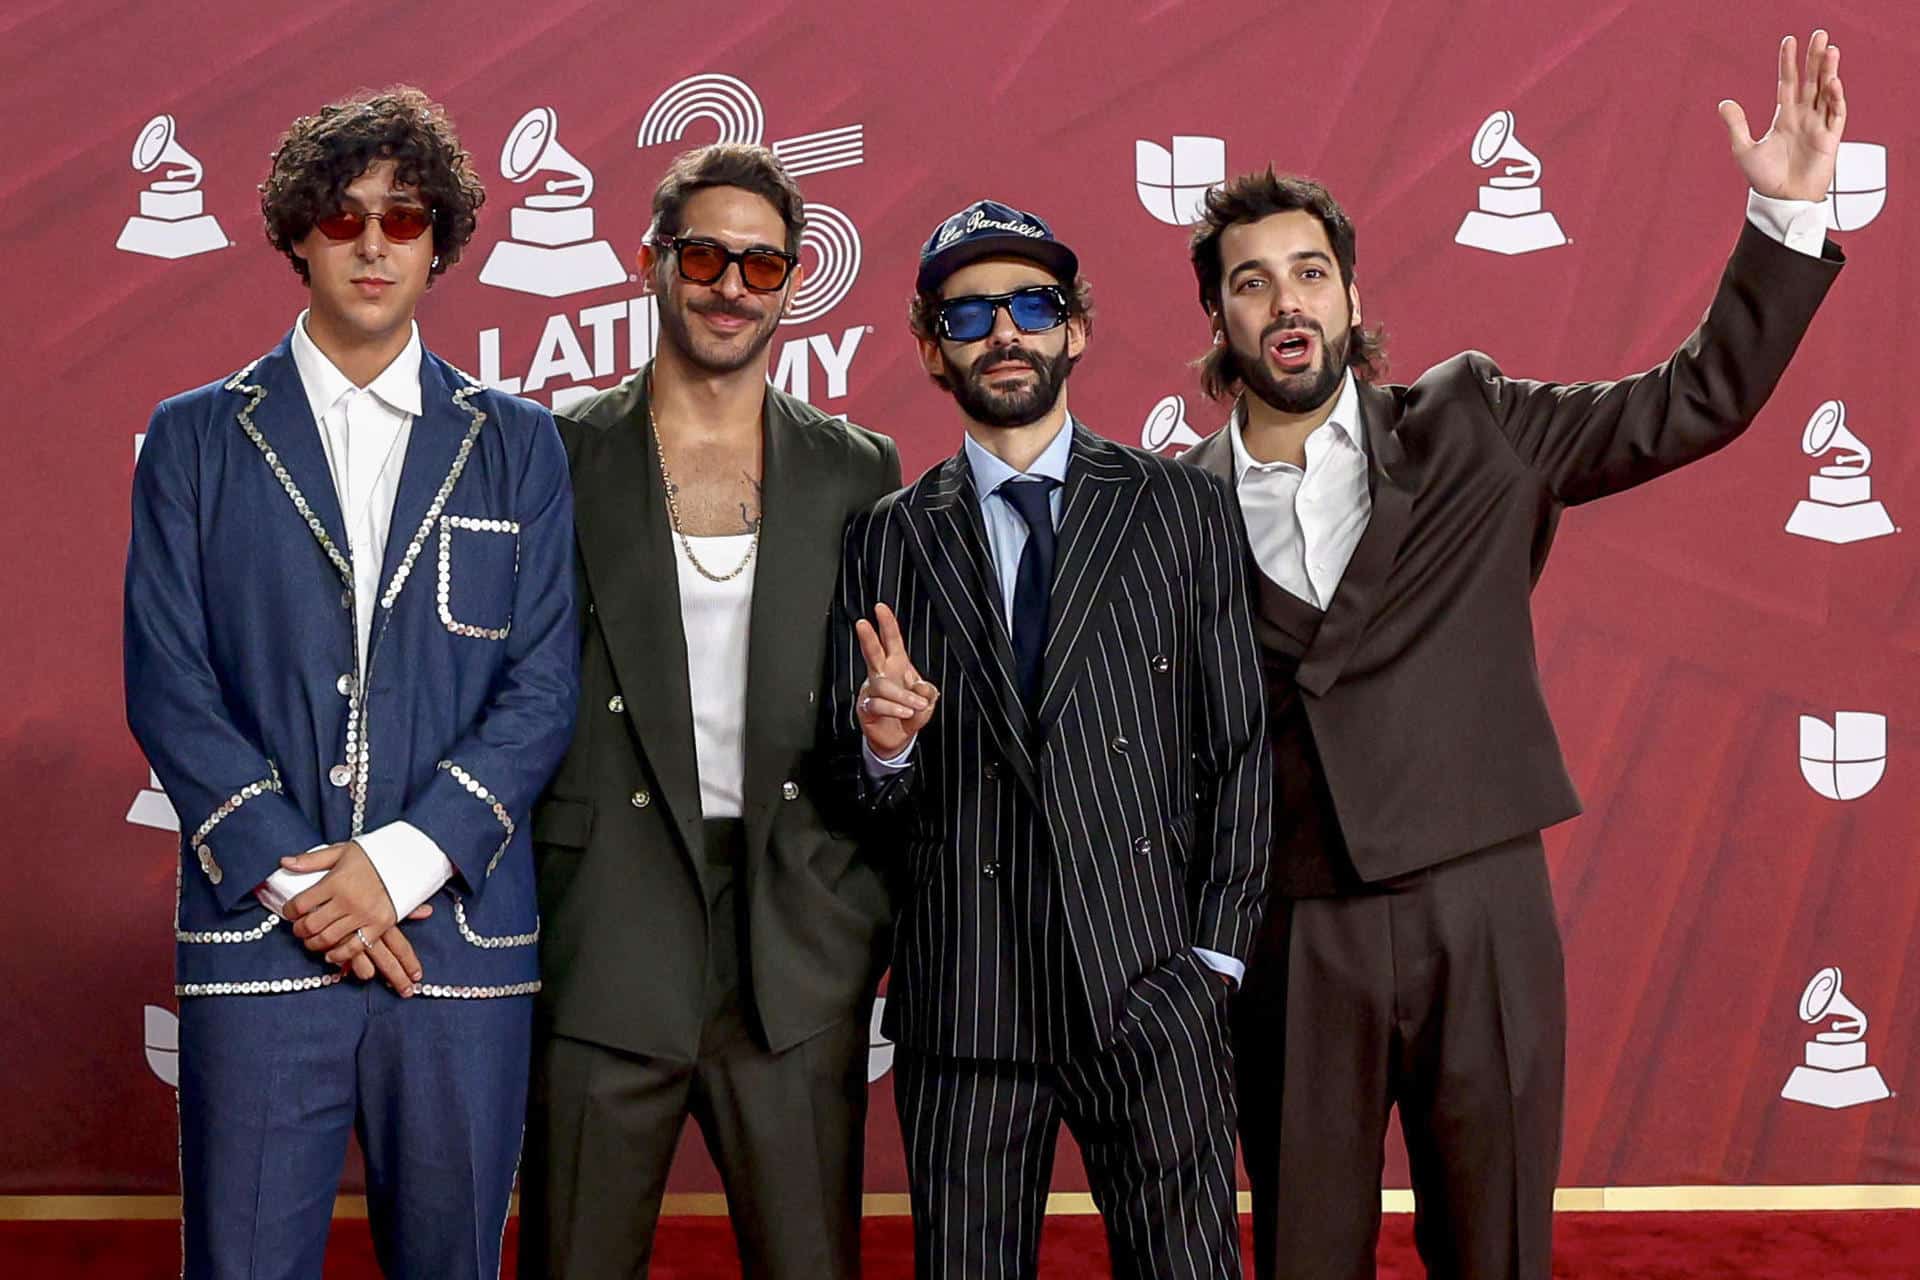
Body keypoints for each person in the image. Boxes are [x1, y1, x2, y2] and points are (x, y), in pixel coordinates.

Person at [1177, 31, 1849, 1280]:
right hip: (1292, 928)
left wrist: (1783, 213)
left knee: (1495, 1251)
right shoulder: (1167, 507)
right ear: (1217, 313)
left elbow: (1693, 397)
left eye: (1312, 273)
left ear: (1353, 300)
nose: (1288, 302)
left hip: (1479, 903)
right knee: (1302, 1255)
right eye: (1254, 281)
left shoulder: (1471, 422)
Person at [124, 86, 578, 1279]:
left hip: (461, 946)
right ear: (294, 234)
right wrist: (306, 876)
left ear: (443, 241)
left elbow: (541, 685)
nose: (374, 242)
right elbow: (168, 678)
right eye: (342, 217)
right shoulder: (194, 436)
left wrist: (399, 861)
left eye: (405, 216)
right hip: (263, 943)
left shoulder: (521, 440)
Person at [831, 199, 1273, 1280]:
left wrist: (1209, 961)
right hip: (968, 998)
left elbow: (1243, 746)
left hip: (1150, 983)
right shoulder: (886, 535)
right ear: (933, 344)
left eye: (1031, 304)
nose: (1005, 333)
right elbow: (856, 797)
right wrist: (885, 749)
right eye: (970, 314)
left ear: (1074, 326)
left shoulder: (1178, 506)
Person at [518, 143, 901, 1280]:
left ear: (795, 280)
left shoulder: (856, 469)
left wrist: (889, 758)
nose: (731, 284)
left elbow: (874, 712)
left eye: (762, 263)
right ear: (649, 263)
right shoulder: (553, 451)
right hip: (604, 931)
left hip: (793, 948)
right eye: (704, 255)